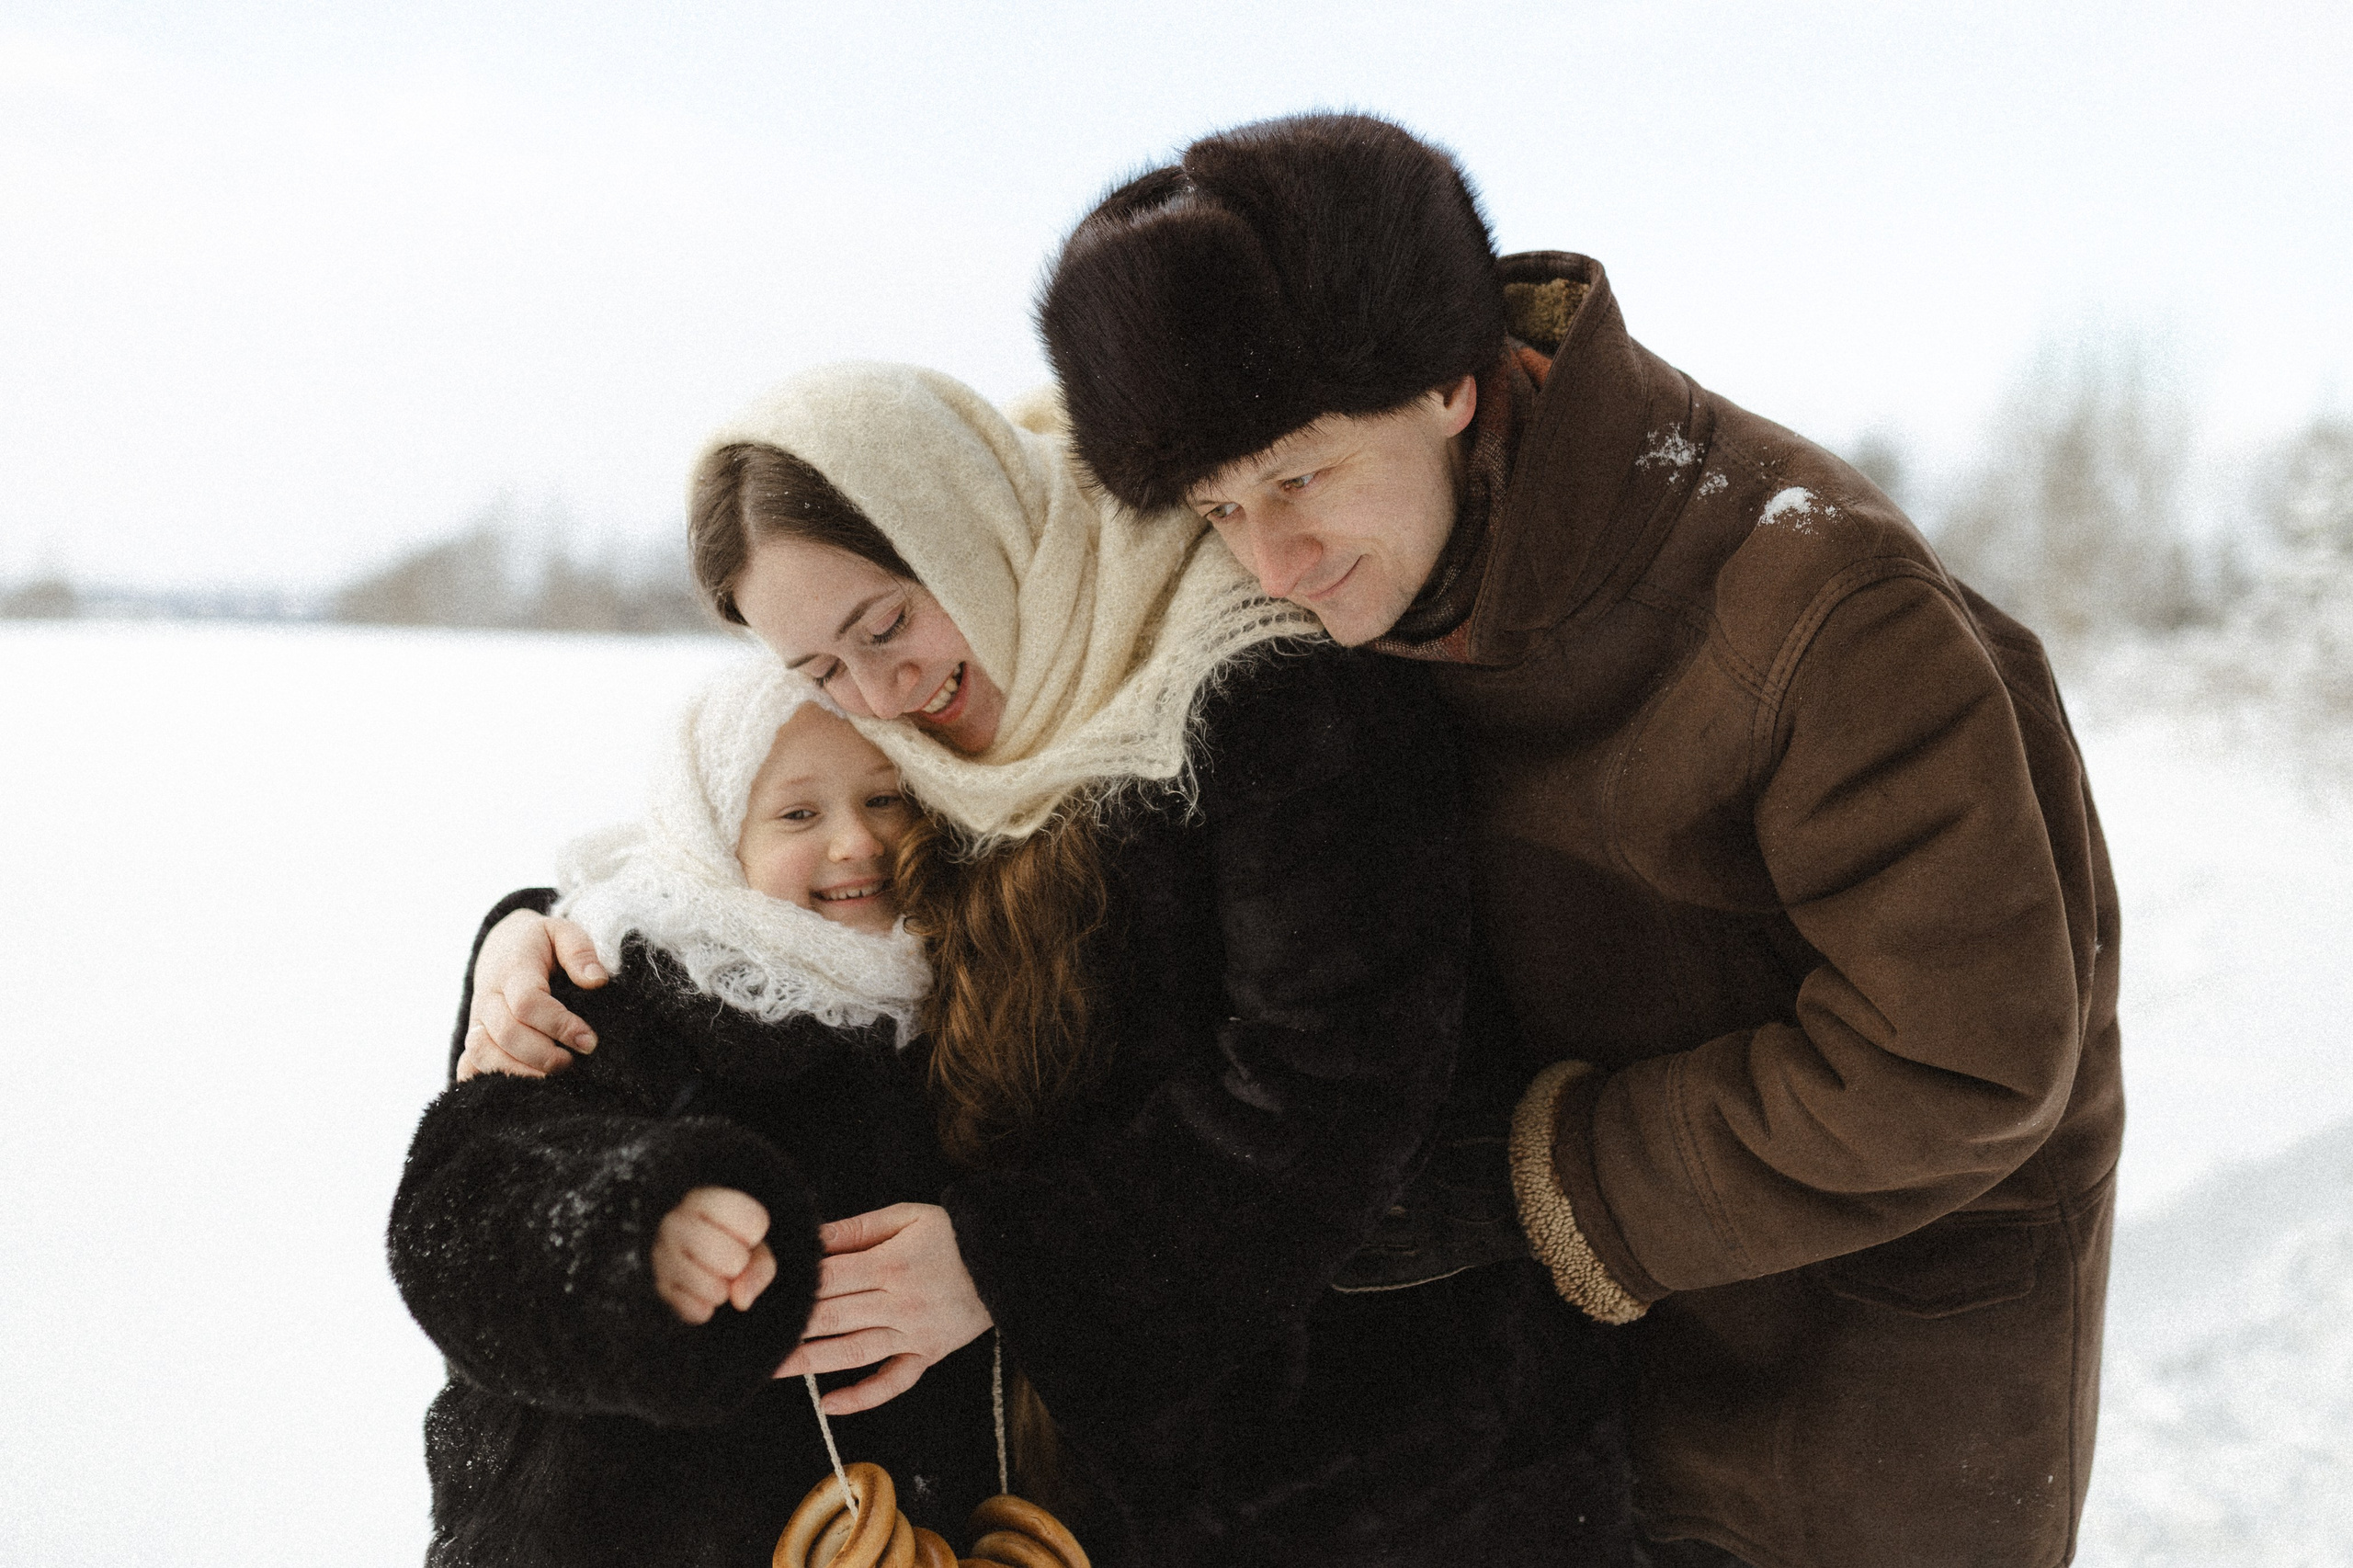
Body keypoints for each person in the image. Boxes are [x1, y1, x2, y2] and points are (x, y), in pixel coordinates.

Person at [1033, 112, 2124, 1568]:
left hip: (1861, 1400)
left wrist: (1543, 1174)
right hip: (1580, 1402)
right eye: (1220, 509)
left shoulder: (1810, 609)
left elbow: (1960, 1059)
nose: (1270, 558)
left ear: (1446, 381)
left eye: (1297, 477)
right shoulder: (1380, 585)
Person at [460, 363, 1645, 1566]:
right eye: (818, 671)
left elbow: (1338, 1095)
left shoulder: (1270, 693)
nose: (882, 692)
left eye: (886, 624)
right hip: (1152, 1467)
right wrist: (541, 929)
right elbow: (728, 867)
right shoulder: (971, 721)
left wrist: (1009, 1264)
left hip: (1397, 1446)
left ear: (962, 528)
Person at [389, 665, 998, 1567]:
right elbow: (460, 1211)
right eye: (798, 814)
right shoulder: (616, 977)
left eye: (886, 796)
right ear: (714, 826)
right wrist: (634, 1232)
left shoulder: (974, 993)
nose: (853, 842)